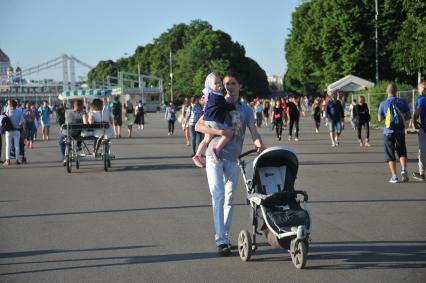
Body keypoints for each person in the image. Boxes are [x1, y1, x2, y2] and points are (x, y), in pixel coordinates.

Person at [195, 71, 265, 256]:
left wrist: (260, 145)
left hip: (234, 157)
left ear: (240, 86)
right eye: (227, 84)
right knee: (217, 195)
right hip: (214, 155)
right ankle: (221, 240)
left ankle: (224, 234)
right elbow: (198, 126)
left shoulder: (246, 109)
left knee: (230, 197)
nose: (229, 87)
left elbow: (253, 131)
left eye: (233, 83)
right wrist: (220, 134)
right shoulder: (216, 101)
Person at [192, 72, 236, 167]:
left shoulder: (209, 96)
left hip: (208, 121)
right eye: (216, 83)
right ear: (210, 86)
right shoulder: (218, 96)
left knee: (206, 139)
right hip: (215, 121)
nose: (219, 84)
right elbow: (226, 106)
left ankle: (197, 155)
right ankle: (217, 148)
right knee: (229, 133)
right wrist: (232, 104)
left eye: (220, 82)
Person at [378, 83, 411, 183]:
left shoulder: (383, 103)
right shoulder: (403, 102)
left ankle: (394, 176)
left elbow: (379, 119)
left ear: (387, 91)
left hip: (388, 131)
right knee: (402, 151)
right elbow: (409, 115)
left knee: (390, 154)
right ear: (396, 91)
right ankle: (404, 170)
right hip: (400, 131)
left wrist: (386, 117)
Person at [59, 100, 85, 165]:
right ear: (80, 106)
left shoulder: (67, 112)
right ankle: (79, 146)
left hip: (66, 133)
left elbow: (62, 120)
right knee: (81, 133)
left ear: (74, 105)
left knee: (61, 142)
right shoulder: (82, 113)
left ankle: (64, 158)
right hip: (76, 134)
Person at [412, 80, 426, 181]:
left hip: (424, 128)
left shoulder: (421, 99)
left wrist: (414, 120)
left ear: (423, 88)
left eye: (419, 88)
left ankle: (421, 173)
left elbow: (417, 113)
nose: (418, 90)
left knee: (422, 150)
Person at [3, 99, 24, 165]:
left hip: (9, 131)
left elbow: (3, 119)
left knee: (8, 146)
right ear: (16, 105)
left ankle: (8, 160)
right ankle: (17, 160)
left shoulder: (7, 112)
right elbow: (22, 122)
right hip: (17, 130)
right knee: (17, 145)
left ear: (10, 105)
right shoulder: (19, 112)